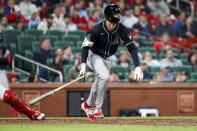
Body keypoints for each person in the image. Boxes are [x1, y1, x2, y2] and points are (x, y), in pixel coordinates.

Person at [79, 4, 143, 122]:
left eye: (119, 13)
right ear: (109, 16)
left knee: (100, 81)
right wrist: (83, 64)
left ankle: (88, 105)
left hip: (108, 58)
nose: (119, 16)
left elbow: (132, 48)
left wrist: (137, 66)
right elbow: (85, 46)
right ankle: (97, 107)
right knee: (105, 76)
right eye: (116, 14)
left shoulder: (122, 29)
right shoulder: (96, 29)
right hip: (93, 55)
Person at [0, 33, 45, 120]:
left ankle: (31, 114)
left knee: (9, 95)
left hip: (1, 72)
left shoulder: (3, 48)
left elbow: (7, 60)